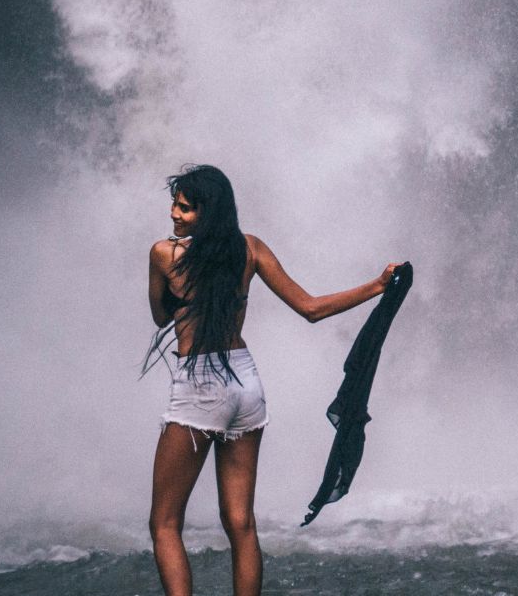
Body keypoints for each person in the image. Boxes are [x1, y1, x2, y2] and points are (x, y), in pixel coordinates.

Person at [145, 164, 399, 596]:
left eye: (185, 208)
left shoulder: (165, 255)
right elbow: (311, 308)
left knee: (165, 523)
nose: (174, 213)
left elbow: (159, 315)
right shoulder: (250, 249)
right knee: (241, 522)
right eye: (174, 204)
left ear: (207, 213)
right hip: (244, 383)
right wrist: (377, 285)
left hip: (200, 386)